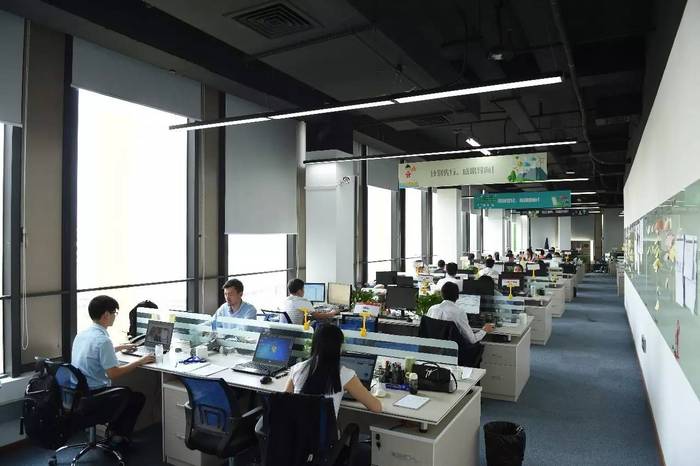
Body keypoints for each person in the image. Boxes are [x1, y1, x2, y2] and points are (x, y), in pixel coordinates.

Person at [71, 295, 155, 450]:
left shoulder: (82, 334)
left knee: (126, 393)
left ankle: (113, 432)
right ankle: (117, 436)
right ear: (106, 315)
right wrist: (140, 361)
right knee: (136, 398)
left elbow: (94, 352)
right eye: (114, 313)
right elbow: (113, 374)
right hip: (95, 395)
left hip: (79, 393)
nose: (115, 316)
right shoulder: (103, 340)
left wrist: (119, 347)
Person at [285, 324, 382, 417]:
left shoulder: (297, 369)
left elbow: (283, 402)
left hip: (297, 428)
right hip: (324, 429)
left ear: (314, 344)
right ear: (338, 348)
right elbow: (376, 407)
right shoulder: (344, 374)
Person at [427, 283, 494, 343]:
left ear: (441, 295)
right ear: (457, 297)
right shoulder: (459, 312)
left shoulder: (432, 309)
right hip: (453, 350)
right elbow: (472, 340)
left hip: (432, 348)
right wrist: (484, 330)